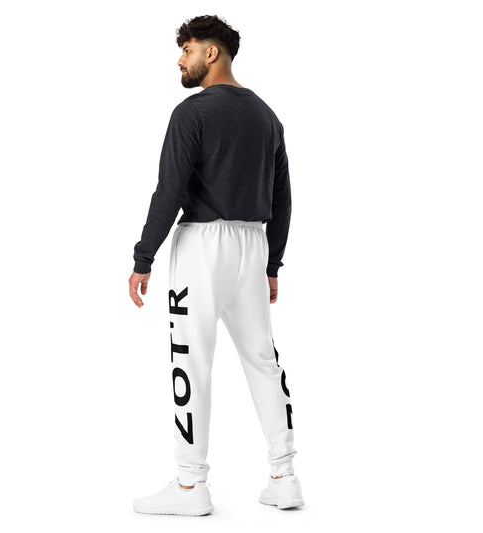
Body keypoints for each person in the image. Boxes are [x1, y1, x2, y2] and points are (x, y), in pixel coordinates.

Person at [129, 15, 305, 515]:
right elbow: (282, 198)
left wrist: (144, 256)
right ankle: (285, 477)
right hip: (253, 243)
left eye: (186, 49)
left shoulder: (192, 112)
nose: (179, 60)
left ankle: (190, 487)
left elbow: (170, 189)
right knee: (263, 360)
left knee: (191, 360)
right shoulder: (267, 117)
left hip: (203, 246)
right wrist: (272, 264)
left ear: (212, 53)